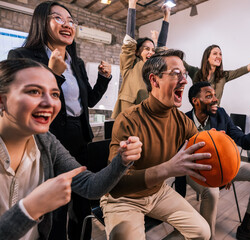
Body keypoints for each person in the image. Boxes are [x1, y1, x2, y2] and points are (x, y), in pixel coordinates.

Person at [0, 58, 141, 240]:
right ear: (2, 100)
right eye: (34, 91)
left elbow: (90, 187)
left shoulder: (45, 142)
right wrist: (31, 209)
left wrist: (122, 161)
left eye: (55, 94)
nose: (49, 103)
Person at [7, 1, 112, 239]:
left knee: (82, 203)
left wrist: (103, 79)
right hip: (49, 140)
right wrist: (52, 73)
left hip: (80, 138)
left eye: (71, 20)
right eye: (58, 18)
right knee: (55, 208)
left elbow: (89, 101)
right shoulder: (22, 56)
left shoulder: (77, 62)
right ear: (41, 22)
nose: (67, 24)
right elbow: (27, 102)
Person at [100, 49, 213, 240]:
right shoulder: (128, 119)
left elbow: (204, 150)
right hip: (123, 199)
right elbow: (116, 185)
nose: (185, 80)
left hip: (158, 192)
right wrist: (168, 169)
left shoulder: (182, 121)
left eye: (184, 74)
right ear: (154, 80)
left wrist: (222, 152)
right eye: (176, 73)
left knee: (202, 232)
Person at [175, 82, 250, 240]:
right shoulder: (182, 120)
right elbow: (178, 158)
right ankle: (208, 237)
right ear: (196, 101)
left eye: (215, 95)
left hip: (225, 165)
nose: (215, 99)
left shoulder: (220, 114)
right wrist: (179, 202)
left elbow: (244, 141)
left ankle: (247, 228)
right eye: (209, 96)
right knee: (212, 191)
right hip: (194, 170)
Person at [111, 0, 171, 118]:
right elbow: (129, 41)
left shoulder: (155, 68)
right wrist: (132, 5)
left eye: (152, 50)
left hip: (149, 116)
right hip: (129, 117)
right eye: (146, 49)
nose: (150, 52)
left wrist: (166, 16)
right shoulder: (130, 66)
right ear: (137, 51)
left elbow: (161, 48)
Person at [184, 45, 250, 104]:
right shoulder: (195, 73)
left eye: (220, 54)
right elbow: (179, 60)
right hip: (198, 117)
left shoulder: (223, 76)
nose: (219, 56)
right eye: (215, 53)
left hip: (215, 117)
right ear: (207, 57)